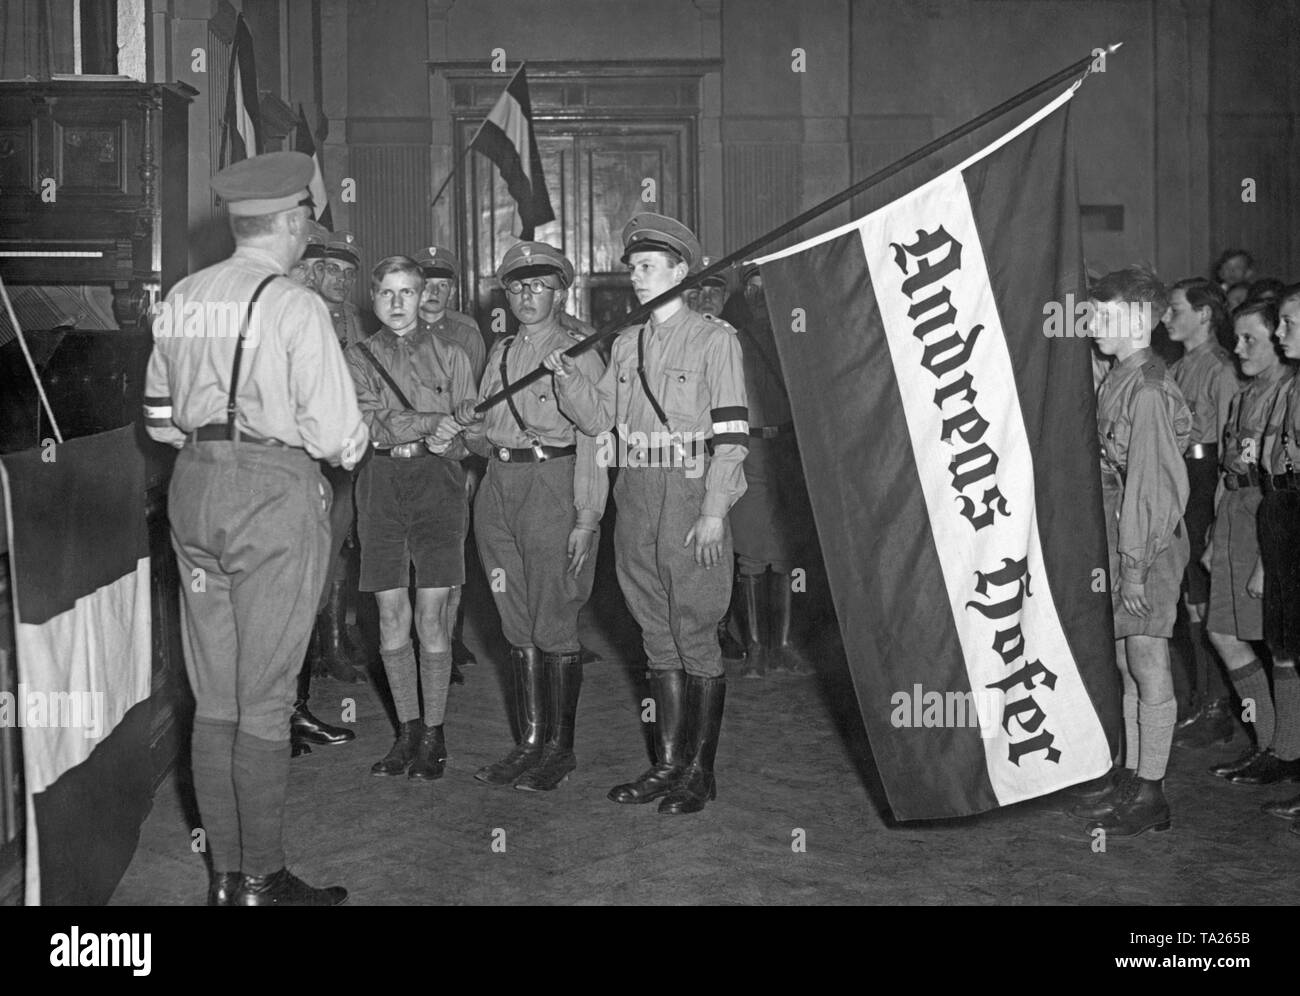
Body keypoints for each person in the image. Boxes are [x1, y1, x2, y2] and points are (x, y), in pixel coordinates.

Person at [144, 151, 368, 905]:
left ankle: (224, 878)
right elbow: (338, 435)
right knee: (266, 700)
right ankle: (264, 881)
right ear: (295, 221)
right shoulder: (296, 305)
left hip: (194, 490)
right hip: (271, 496)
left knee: (215, 701)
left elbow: (159, 418)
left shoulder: (182, 295)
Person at [543, 213, 749, 816]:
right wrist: (569, 378)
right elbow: (598, 417)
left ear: (681, 273)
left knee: (695, 630)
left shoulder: (716, 341)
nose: (635, 277)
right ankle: (666, 764)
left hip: (690, 492)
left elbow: (732, 435)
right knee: (654, 632)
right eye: (633, 267)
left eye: (648, 267)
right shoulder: (627, 343)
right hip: (635, 489)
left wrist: (715, 511)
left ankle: (699, 772)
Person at [454, 241, 607, 791]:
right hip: (497, 488)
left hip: (551, 485)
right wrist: (468, 422)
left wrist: (587, 516)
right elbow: (482, 436)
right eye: (516, 287)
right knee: (514, 620)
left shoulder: (577, 349)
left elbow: (597, 433)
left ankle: (559, 752)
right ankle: (529, 744)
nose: (525, 296)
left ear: (560, 291)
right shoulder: (498, 353)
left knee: (553, 616)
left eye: (538, 286)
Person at [1067, 267, 1191, 837]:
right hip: (1123, 538)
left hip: (1148, 544)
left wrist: (1136, 570)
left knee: (1148, 660)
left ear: (1140, 319)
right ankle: (1133, 774)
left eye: (1103, 315)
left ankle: (1152, 792)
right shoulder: (1118, 376)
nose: (1091, 324)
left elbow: (1153, 489)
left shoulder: (1147, 391)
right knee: (1124, 660)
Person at [347, 255, 476, 783]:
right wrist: (434, 420)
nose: (397, 304)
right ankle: (406, 728)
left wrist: (461, 434)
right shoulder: (355, 357)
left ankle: (434, 733)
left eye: (407, 293)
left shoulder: (454, 355)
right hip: (379, 484)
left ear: (423, 297)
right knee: (390, 615)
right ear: (372, 298)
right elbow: (370, 419)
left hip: (438, 485)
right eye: (387, 294)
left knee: (432, 617)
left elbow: (476, 430)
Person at [1203, 301, 1299, 785]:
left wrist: (1266, 559)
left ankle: (1287, 749)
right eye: (1236, 338)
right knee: (1223, 632)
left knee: (1281, 644)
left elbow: (1278, 480)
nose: (1238, 348)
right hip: (1233, 518)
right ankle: (1268, 743)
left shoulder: (1288, 393)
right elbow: (1229, 465)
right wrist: (1211, 535)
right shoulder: (1245, 395)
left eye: (1250, 339)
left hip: (1267, 521)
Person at [720, 265, 817, 678]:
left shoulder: (795, 340)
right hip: (749, 448)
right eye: (752, 291)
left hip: (787, 449)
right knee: (752, 552)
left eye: (766, 290)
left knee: (786, 551)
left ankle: (783, 645)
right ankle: (758, 647)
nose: (759, 299)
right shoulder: (731, 342)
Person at [1164, 278, 1239, 745]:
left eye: (1175, 310)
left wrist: (1216, 516)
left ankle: (1219, 705)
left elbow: (1230, 447)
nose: (1168, 319)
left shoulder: (1220, 369)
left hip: (1206, 479)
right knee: (1190, 598)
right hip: (1182, 481)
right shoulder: (1178, 367)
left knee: (1207, 596)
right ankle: (1202, 700)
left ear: (1205, 314)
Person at [414, 244, 487, 678]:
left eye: (444, 284)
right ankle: (417, 644)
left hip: (452, 461)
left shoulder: (466, 333)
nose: (435, 292)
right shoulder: (391, 329)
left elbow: (476, 407)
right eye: (427, 283)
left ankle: (449, 640)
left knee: (450, 554)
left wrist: (472, 467)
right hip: (405, 460)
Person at [1255, 286, 1300, 834]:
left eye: (1288, 323)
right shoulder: (1293, 385)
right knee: (1288, 647)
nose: (1280, 332)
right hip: (1286, 509)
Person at [685, 261, 746, 665]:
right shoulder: (693, 340)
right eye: (700, 291)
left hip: (731, 455)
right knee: (698, 552)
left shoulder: (732, 339)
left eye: (716, 292)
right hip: (700, 460)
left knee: (729, 550)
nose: (708, 298)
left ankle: (724, 626)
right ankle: (712, 631)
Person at [318, 231, 367, 349]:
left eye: (349, 273)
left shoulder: (358, 319)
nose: (342, 279)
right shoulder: (298, 313)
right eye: (333, 269)